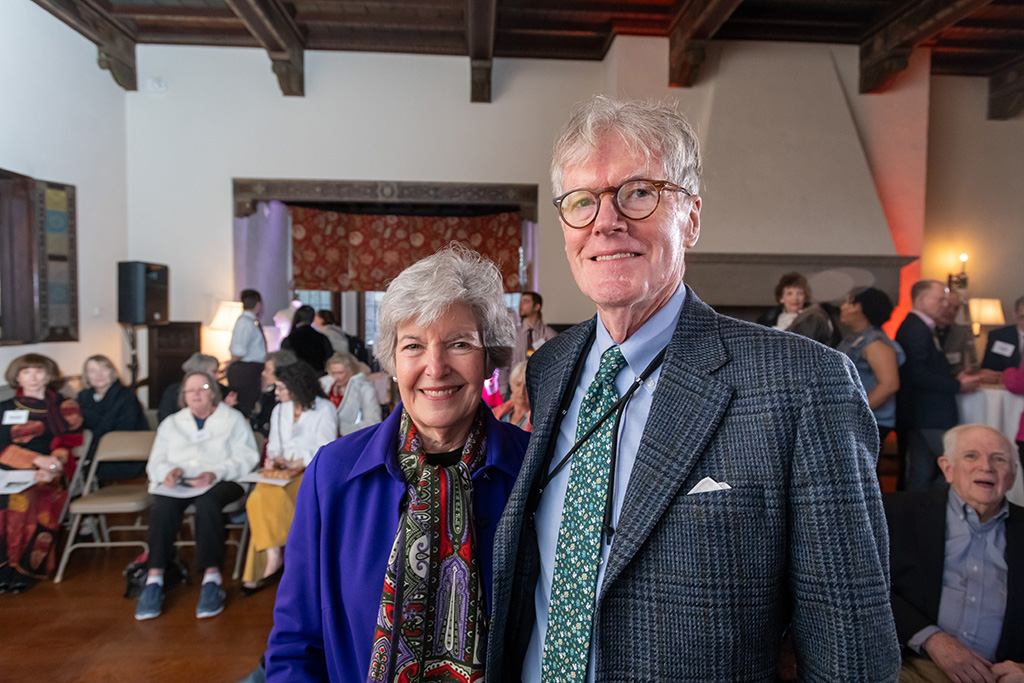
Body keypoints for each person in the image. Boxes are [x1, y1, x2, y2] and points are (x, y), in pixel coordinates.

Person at [486, 95, 900, 682]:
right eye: (583, 201)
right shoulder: (551, 366)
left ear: (692, 216)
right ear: (564, 226)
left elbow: (851, 647)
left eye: (639, 192)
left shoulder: (805, 384)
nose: (607, 221)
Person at [266, 245, 529, 681]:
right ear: (392, 361)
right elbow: (296, 643)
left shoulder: (535, 469)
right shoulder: (332, 474)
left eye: (459, 344)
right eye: (413, 346)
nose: (435, 366)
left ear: (489, 358)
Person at [884, 424, 1024, 683]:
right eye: (971, 456)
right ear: (947, 468)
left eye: (999, 459)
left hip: (999, 675)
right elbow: (867, 587)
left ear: (1013, 476)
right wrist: (930, 638)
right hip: (912, 666)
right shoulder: (897, 514)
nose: (986, 467)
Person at [135, 371, 259, 621]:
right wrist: (168, 472)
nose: (196, 394)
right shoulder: (172, 423)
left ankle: (212, 578)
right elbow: (156, 459)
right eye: (190, 390)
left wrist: (215, 473)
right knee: (163, 505)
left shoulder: (232, 419)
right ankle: (154, 578)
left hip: (223, 479)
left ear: (213, 391)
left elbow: (247, 457)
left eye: (202, 388)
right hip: (183, 481)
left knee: (207, 504)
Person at [241, 362, 337, 595]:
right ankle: (276, 555)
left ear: (296, 386)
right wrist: (274, 459)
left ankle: (274, 561)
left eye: (281, 388)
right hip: (282, 471)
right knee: (257, 498)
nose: (276, 393)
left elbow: (327, 447)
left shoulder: (324, 408)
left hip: (310, 471)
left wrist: (299, 461)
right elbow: (274, 444)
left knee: (265, 500)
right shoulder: (279, 410)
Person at [0, 354, 83, 592]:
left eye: (39, 371)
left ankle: (26, 567)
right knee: (3, 499)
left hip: (53, 469)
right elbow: (1, 445)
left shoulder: (65, 405)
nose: (33, 377)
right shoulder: (4, 407)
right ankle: (5, 565)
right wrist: (35, 460)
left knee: (32, 498)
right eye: (27, 372)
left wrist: (51, 466)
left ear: (48, 375)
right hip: (10, 467)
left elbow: (69, 442)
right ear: (17, 377)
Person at [896, 280, 981, 491]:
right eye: (940, 299)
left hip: (923, 413)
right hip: (929, 412)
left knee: (921, 472)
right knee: (955, 467)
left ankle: (918, 517)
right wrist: (956, 385)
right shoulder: (916, 328)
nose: (946, 304)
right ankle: (930, 511)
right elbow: (916, 373)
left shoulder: (921, 326)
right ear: (922, 300)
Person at [838, 287, 904, 446]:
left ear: (863, 309)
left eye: (850, 303)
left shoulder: (875, 341)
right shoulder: (856, 337)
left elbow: (889, 385)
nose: (843, 307)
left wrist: (853, 413)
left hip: (870, 422)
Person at [76, 354, 149, 483]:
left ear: (112, 372)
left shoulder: (126, 397)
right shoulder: (83, 397)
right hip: (93, 456)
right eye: (93, 371)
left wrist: (89, 452)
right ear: (86, 375)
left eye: (104, 369)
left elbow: (125, 431)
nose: (99, 375)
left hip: (123, 457)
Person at [158, 352, 237, 423]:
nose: (217, 376)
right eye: (214, 372)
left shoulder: (223, 390)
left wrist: (226, 409)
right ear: (200, 372)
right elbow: (164, 419)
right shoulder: (173, 391)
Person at [319, 351, 381, 436]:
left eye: (340, 373)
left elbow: (374, 422)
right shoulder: (325, 386)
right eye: (333, 373)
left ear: (351, 371)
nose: (336, 377)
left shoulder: (365, 389)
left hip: (350, 439)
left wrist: (341, 427)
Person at [227, 288, 268, 416]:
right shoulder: (245, 323)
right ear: (258, 304)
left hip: (252, 369)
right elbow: (239, 351)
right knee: (246, 405)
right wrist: (230, 365)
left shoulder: (251, 322)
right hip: (245, 370)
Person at [250, 350, 299, 439]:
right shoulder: (267, 396)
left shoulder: (297, 398)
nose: (263, 373)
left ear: (282, 370)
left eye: (267, 369)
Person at [935, 289, 978, 375]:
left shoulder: (961, 333)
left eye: (956, 308)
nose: (952, 311)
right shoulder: (923, 329)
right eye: (948, 306)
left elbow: (969, 365)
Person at [281, 305, 333, 376]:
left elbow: (284, 361)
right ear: (313, 318)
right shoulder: (322, 338)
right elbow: (330, 359)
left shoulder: (289, 339)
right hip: (318, 375)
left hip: (297, 377)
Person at [981, 295, 1024, 373]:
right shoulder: (998, 336)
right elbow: (988, 368)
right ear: (1015, 315)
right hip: (1003, 382)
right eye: (1023, 317)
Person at [493, 360, 532, 431]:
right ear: (511, 385)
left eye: (527, 387)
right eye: (518, 384)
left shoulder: (536, 422)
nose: (521, 391)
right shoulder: (497, 414)